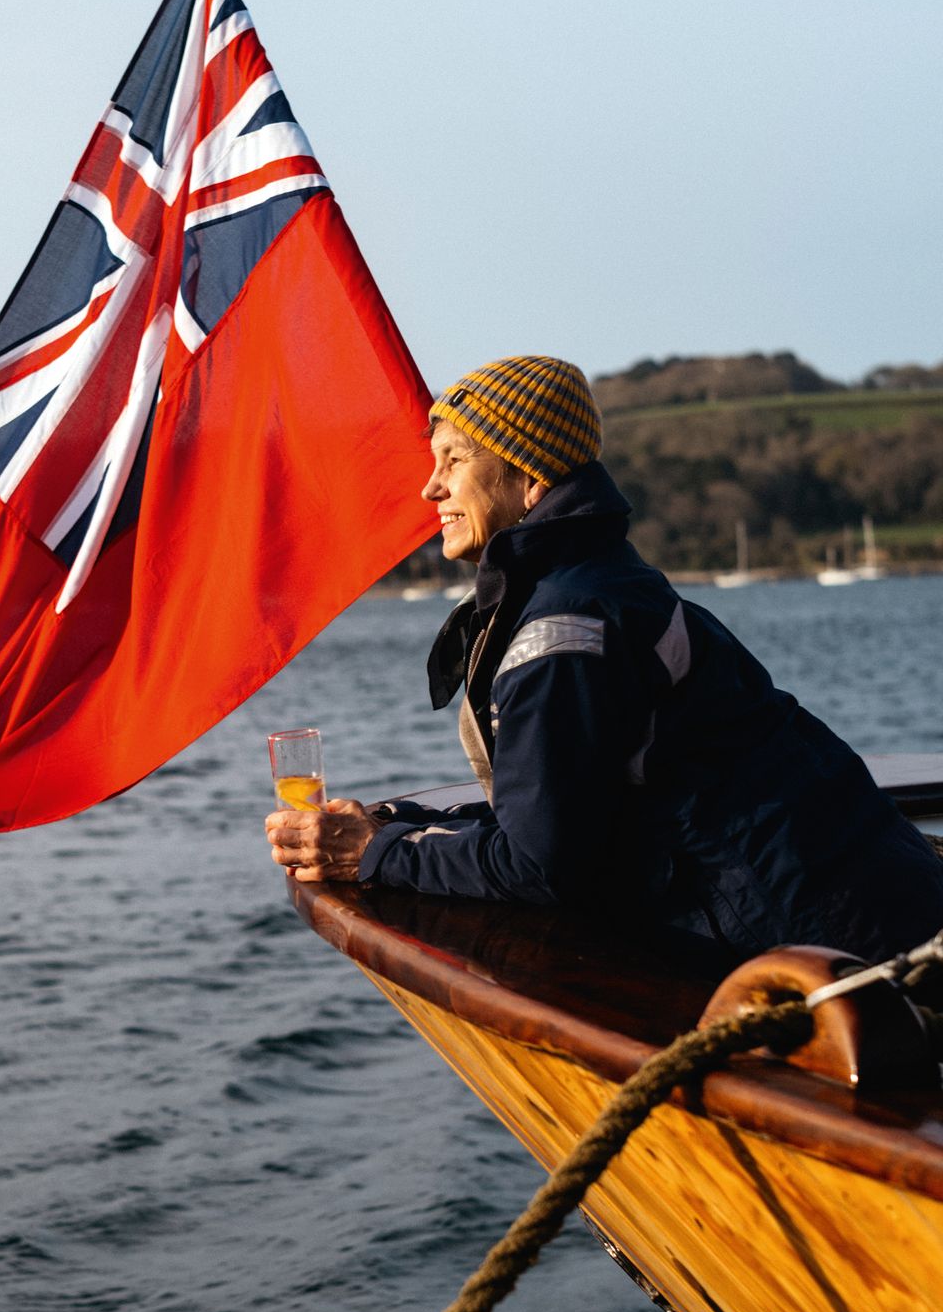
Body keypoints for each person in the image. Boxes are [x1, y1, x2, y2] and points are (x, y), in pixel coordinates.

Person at [265, 354, 943, 962]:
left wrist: (374, 854)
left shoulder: (564, 628)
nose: (429, 489)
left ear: (529, 477)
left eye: (454, 460)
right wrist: (400, 827)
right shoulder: (602, 587)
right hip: (882, 905)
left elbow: (541, 864)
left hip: (837, 950)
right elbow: (571, 813)